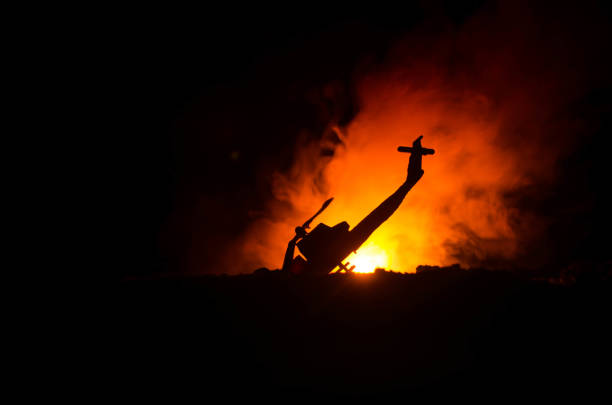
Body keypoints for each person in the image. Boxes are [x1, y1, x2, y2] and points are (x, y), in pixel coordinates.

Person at [282, 135, 428, 275]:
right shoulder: (303, 277)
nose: (297, 260)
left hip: (344, 245)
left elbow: (290, 257)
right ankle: (410, 180)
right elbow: (289, 262)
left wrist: (296, 239)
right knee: (379, 215)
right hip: (344, 245)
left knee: (379, 216)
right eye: (295, 264)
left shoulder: (307, 270)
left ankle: (410, 180)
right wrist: (295, 240)